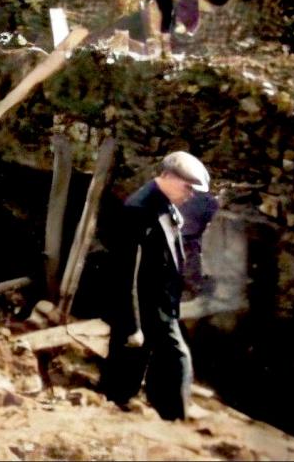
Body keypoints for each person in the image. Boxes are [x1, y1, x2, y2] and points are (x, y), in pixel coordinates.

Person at [100, 150, 211, 420]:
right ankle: (171, 413)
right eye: (188, 186)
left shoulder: (164, 203)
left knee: (143, 357)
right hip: (144, 303)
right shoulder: (139, 210)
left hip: (160, 301)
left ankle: (130, 403)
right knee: (169, 355)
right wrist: (132, 325)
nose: (192, 194)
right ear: (168, 177)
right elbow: (127, 272)